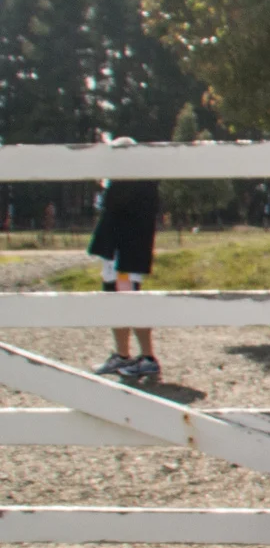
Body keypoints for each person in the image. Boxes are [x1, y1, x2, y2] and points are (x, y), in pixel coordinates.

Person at [87, 138, 161, 382]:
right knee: (114, 298)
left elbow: (118, 209)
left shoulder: (136, 181)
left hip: (126, 254)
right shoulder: (127, 179)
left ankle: (148, 358)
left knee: (129, 300)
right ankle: (122, 354)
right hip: (117, 253)